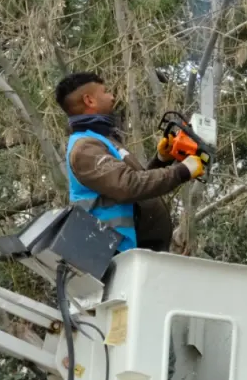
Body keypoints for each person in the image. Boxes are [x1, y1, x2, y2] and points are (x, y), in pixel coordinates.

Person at [54, 72, 204, 252]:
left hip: (129, 250)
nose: (112, 97)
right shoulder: (85, 148)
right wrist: (183, 171)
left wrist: (161, 160)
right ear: (89, 100)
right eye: (106, 91)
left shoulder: (102, 140)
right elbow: (128, 186)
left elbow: (136, 184)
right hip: (113, 252)